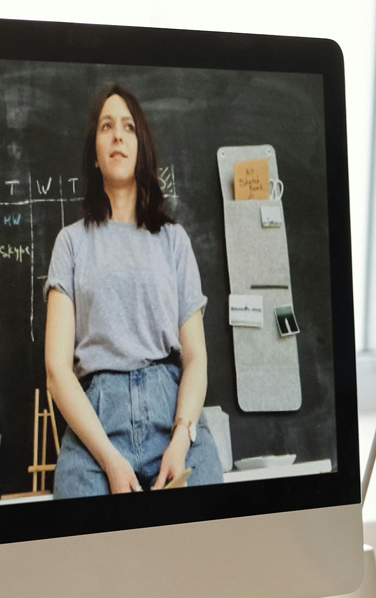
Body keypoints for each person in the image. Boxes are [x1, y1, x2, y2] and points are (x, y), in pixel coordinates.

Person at [44, 84, 222, 498]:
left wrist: (182, 436)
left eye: (128, 127)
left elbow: (195, 356)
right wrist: (108, 458)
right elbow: (56, 370)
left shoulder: (173, 240)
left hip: (172, 411)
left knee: (205, 548)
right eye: (107, 127)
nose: (118, 135)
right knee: (85, 555)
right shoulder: (70, 243)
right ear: (95, 152)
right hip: (97, 424)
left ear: (141, 147)